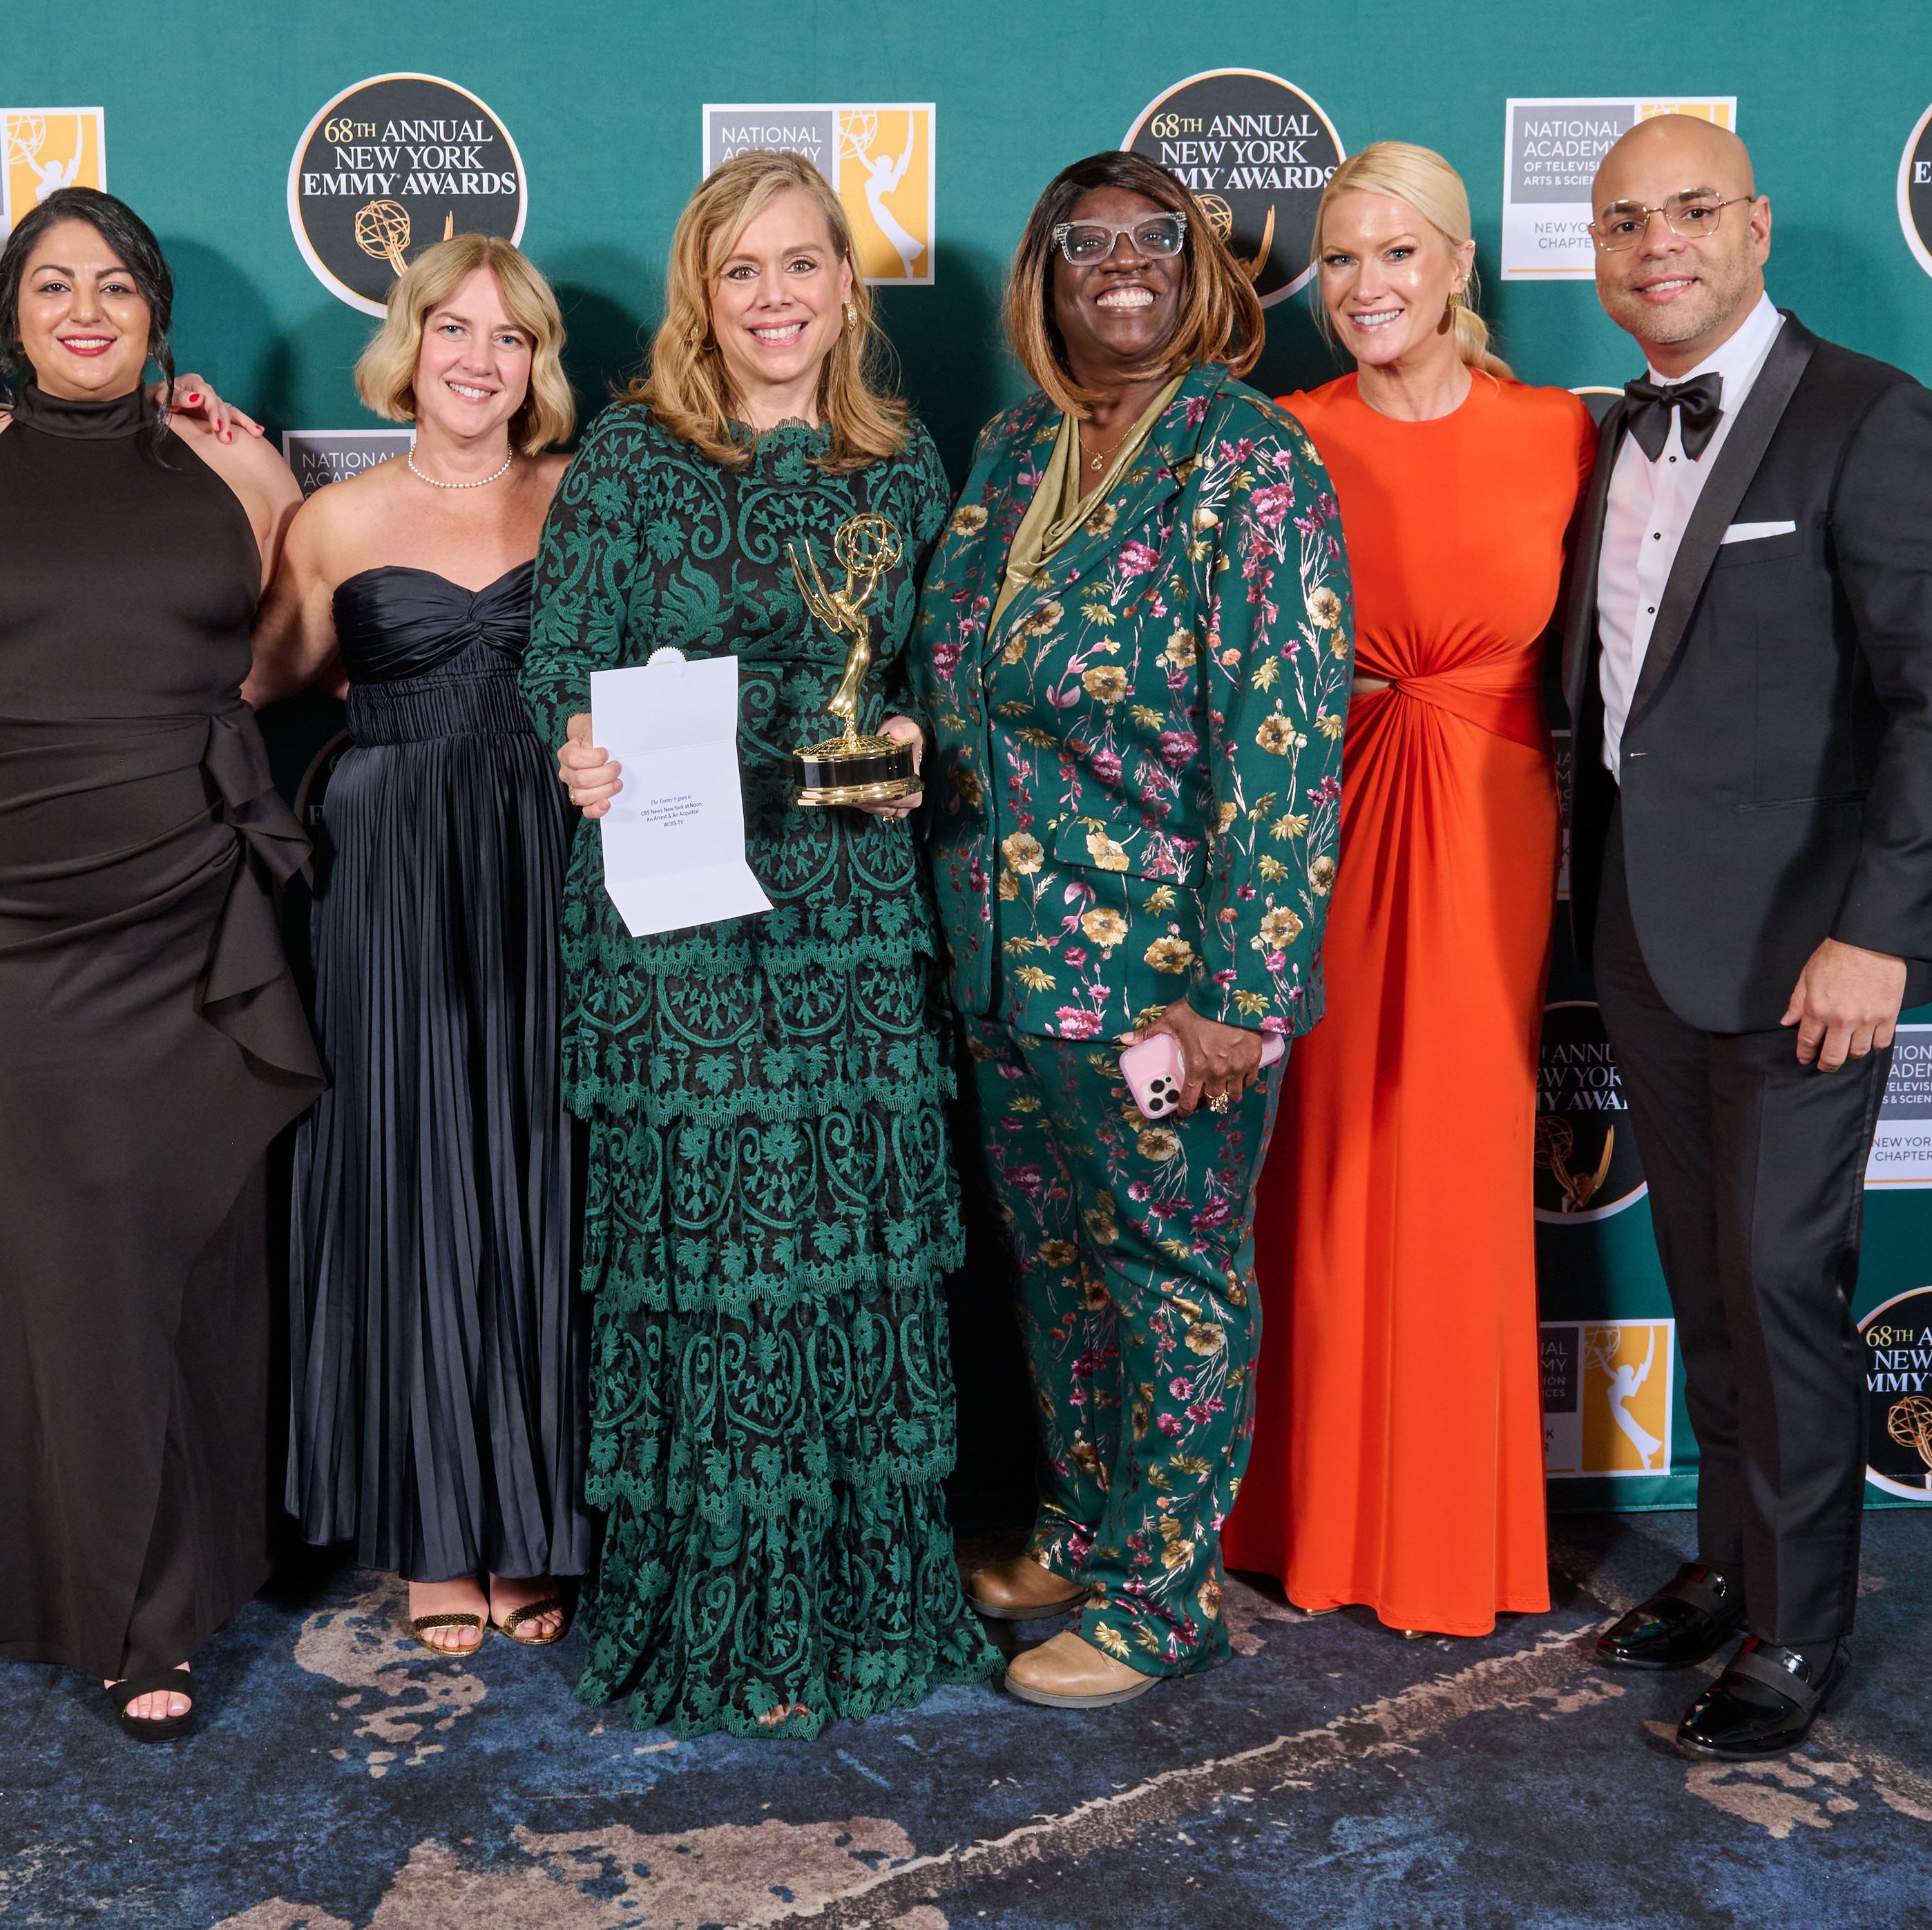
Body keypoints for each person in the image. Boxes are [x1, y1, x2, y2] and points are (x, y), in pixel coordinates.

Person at [523, 148, 999, 1738]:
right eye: (742, 270)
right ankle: (725, 1618)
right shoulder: (633, 457)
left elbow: (933, 671)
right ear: (701, 296)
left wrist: (920, 732)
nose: (775, 296)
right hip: (682, 917)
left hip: (855, 911)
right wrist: (580, 750)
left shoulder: (902, 463)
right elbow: (561, 666)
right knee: (720, 1264)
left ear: (847, 287)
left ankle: (866, 1604)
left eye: (802, 263)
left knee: (855, 1252)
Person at [1563, 115, 1932, 1759]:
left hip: (1811, 951)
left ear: (1756, 226)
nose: (1657, 245)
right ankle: (1730, 1564)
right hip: (1648, 930)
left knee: (1779, 1280)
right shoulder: (1615, 431)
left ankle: (1802, 1623)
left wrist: (1880, 933)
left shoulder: (1876, 419)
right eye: (1625, 221)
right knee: (1708, 1273)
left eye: (1690, 211)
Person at [912, 151, 1350, 1711]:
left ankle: (1166, 1596)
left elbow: (1287, 744)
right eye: (1085, 241)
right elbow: (963, 674)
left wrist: (1241, 993)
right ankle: (1087, 1528)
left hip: (1160, 978)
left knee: (1172, 1277)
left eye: (1153, 237)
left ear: (1196, 265)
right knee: (1058, 1271)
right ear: (1045, 275)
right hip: (1002, 956)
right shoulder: (1015, 444)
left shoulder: (1252, 463)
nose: (1122, 263)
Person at [0, 188, 319, 1741]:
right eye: (54, 284)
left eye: (115, 285)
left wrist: (171, 729)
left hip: (189, 884)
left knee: (194, 1227)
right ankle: (132, 1607)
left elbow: (287, 656)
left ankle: (204, 1557)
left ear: (154, 313)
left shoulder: (242, 468)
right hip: (10, 903)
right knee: (72, 1234)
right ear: (11, 315)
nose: (86, 309)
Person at [1218, 144, 1596, 1639]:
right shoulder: (1281, 437)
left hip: (1491, 830)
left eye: (1397, 253)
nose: (1367, 285)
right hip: (1319, 831)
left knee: (1455, 1166)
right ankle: (1298, 1515)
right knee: (1316, 1157)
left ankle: (1444, 1530)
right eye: (1341, 259)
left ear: (1457, 265)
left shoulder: (1561, 433)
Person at [252, 233, 587, 1656]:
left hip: (552, 856)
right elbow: (257, 681)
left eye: (510, 336)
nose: (479, 358)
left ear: (537, 363)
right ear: (410, 342)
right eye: (454, 327)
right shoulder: (332, 521)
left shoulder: (583, 498)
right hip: (390, 873)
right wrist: (235, 475)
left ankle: (540, 1514)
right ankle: (438, 1528)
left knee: (543, 1169)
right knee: (418, 1173)